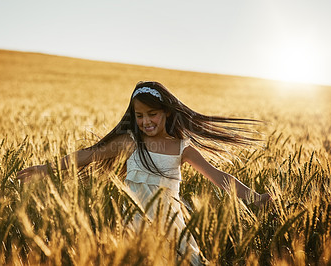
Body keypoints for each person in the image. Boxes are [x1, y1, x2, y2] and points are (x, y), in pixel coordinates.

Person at [17, 81, 271, 265]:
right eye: (139, 116)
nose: (145, 121)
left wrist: (254, 197)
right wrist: (46, 169)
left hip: (171, 226)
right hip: (134, 224)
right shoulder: (129, 142)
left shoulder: (182, 148)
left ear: (167, 113)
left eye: (152, 114)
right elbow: (87, 154)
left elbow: (219, 177)